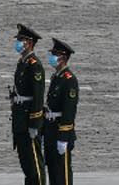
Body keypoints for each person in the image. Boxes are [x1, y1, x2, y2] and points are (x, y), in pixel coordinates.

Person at [9, 23, 46, 185]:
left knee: (35, 165)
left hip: (28, 121)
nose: (18, 43)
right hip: (20, 120)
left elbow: (37, 97)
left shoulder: (34, 65)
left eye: (21, 40)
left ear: (29, 43)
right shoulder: (22, 63)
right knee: (26, 164)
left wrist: (35, 124)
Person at [43, 38, 79, 185]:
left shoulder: (69, 80)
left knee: (62, 175)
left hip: (60, 132)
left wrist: (63, 137)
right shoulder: (56, 77)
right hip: (51, 131)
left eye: (55, 55)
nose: (52, 57)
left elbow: (69, 110)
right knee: (52, 172)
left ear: (63, 58)